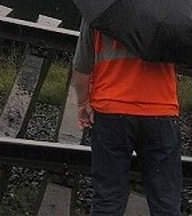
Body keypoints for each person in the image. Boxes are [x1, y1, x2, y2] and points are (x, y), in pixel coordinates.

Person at [72, 19, 182, 216]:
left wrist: (82, 103)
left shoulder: (98, 7)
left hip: (111, 111)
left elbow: (81, 68)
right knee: (166, 200)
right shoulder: (172, 10)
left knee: (108, 199)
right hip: (161, 111)